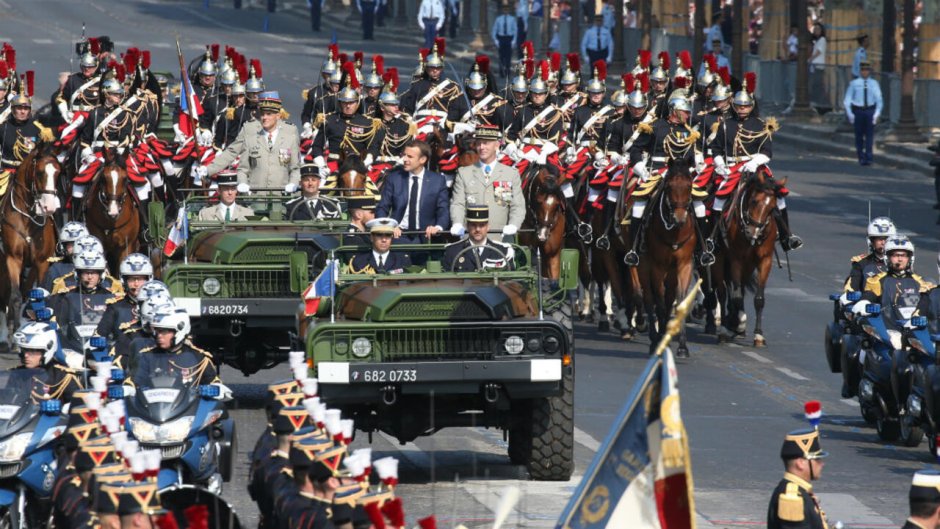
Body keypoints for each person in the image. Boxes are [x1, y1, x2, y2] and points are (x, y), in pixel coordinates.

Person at [203, 91, 301, 193]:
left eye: (269, 113)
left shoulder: (290, 130)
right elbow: (232, 151)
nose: (264, 117)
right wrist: (209, 169)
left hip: (281, 189)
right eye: (262, 113)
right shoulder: (250, 127)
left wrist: (293, 183)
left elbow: (294, 165)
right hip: (257, 189)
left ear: (278, 114)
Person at [450, 125, 524, 240]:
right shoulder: (464, 173)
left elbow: (517, 206)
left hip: (499, 237)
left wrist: (514, 225)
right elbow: (458, 203)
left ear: (497, 145)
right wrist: (457, 223)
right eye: (478, 143)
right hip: (470, 238)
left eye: (486, 143)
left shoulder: (510, 174)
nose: (481, 147)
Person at [376, 140, 450, 242]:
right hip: (399, 234)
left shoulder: (437, 181)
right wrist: (389, 226)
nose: (404, 159)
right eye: (404, 155)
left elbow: (443, 209)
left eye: (410, 157)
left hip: (426, 235)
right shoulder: (394, 178)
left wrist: (438, 227)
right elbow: (382, 207)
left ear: (422, 159)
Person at [310, 73, 381, 177]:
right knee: (320, 189)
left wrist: (366, 162)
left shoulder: (367, 122)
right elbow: (317, 146)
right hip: (333, 166)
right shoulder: (330, 120)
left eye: (351, 102)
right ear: (339, 103)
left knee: (374, 191)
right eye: (344, 102)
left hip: (358, 166)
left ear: (357, 103)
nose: (348, 106)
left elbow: (374, 147)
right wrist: (322, 165)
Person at [134, 305, 219, 387]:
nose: (159, 335)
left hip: (187, 401)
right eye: (157, 331)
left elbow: (214, 383)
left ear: (179, 331)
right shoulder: (146, 356)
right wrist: (128, 388)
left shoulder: (199, 358)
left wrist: (217, 388)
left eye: (164, 331)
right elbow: (134, 381)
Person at [51, 249, 118, 352]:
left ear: (101, 274)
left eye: (94, 273)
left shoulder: (112, 299)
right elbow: (61, 328)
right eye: (86, 272)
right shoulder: (67, 297)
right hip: (74, 349)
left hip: (106, 349)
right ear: (77, 274)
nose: (90, 277)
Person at [767, 428, 829, 529]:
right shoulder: (792, 498)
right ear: (801, 463)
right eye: (817, 459)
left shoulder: (801, 491)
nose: (822, 464)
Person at [12, 321, 83, 402]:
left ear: (47, 351)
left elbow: (76, 408)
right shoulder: (17, 375)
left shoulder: (63, 377)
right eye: (24, 350)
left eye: (32, 351)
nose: (26, 355)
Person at [95, 253, 152, 343]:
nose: (136, 284)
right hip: (123, 354)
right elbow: (100, 335)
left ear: (149, 280)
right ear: (124, 281)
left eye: (141, 279)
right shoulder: (115, 307)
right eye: (132, 279)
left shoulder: (158, 305)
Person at [444, 205, 514, 272]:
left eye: (482, 225)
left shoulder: (502, 251)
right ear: (467, 226)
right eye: (473, 225)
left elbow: (511, 279)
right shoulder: (453, 251)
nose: (477, 229)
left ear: (488, 227)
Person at [843, 61, 882, 166]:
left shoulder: (874, 84)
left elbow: (879, 99)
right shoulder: (854, 84)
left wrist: (876, 113)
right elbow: (847, 100)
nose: (865, 72)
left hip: (869, 110)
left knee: (869, 135)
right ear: (860, 71)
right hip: (858, 110)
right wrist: (850, 114)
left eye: (867, 70)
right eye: (863, 70)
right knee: (859, 135)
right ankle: (861, 156)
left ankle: (869, 157)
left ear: (869, 71)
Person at [843, 217, 896, 293]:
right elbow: (851, 287)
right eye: (880, 239)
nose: (883, 243)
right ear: (871, 241)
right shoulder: (861, 263)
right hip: (868, 302)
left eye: (887, 239)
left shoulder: (901, 263)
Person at [41, 222, 89, 292]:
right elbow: (45, 296)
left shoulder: (97, 266)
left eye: (79, 243)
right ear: (64, 246)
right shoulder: (56, 269)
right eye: (71, 244)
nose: (76, 247)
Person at [492, 4, 518, 78]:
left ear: (509, 10)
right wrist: (496, 40)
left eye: (507, 9)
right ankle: (501, 72)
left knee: (508, 56)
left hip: (509, 38)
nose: (506, 11)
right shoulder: (499, 19)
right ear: (503, 10)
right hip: (501, 38)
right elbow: (494, 30)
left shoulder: (512, 19)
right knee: (501, 56)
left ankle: (507, 72)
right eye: (504, 9)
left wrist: (514, 40)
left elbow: (515, 30)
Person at [810, 23, 828, 109]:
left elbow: (819, 52)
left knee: (817, 84)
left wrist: (811, 59)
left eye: (818, 29)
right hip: (814, 65)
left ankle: (819, 102)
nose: (816, 31)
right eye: (815, 29)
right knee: (816, 84)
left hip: (818, 65)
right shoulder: (816, 41)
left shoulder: (822, 40)